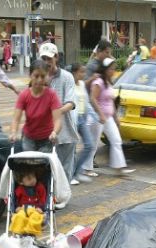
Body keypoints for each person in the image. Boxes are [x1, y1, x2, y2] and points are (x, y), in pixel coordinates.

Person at [39, 42, 79, 182]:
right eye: (43, 59)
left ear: (56, 57)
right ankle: (50, 198)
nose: (46, 62)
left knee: (64, 170)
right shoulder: (38, 77)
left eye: (49, 59)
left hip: (65, 131)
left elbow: (71, 103)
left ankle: (62, 197)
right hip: (45, 133)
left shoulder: (67, 77)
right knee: (46, 169)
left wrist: (55, 112)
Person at [90, 57, 135, 175]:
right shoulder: (98, 82)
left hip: (108, 117)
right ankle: (86, 168)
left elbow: (110, 102)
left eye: (114, 69)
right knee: (93, 143)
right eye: (111, 69)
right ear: (105, 70)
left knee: (116, 140)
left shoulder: (108, 83)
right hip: (98, 117)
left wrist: (116, 118)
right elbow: (93, 98)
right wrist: (100, 114)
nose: (113, 71)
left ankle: (119, 167)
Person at [9, 60, 62, 153]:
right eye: (36, 76)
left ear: (47, 76)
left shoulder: (51, 95)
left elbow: (57, 120)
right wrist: (13, 132)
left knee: (43, 164)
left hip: (47, 139)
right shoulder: (24, 95)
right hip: (29, 138)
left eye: (43, 76)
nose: (39, 80)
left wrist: (55, 132)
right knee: (29, 164)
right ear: (30, 76)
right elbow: (16, 119)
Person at [70, 63, 96, 185]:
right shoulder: (69, 84)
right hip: (72, 120)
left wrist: (95, 116)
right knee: (72, 149)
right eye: (81, 72)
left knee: (89, 145)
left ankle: (77, 171)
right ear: (75, 72)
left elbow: (86, 102)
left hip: (82, 119)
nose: (83, 74)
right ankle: (71, 175)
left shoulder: (81, 84)